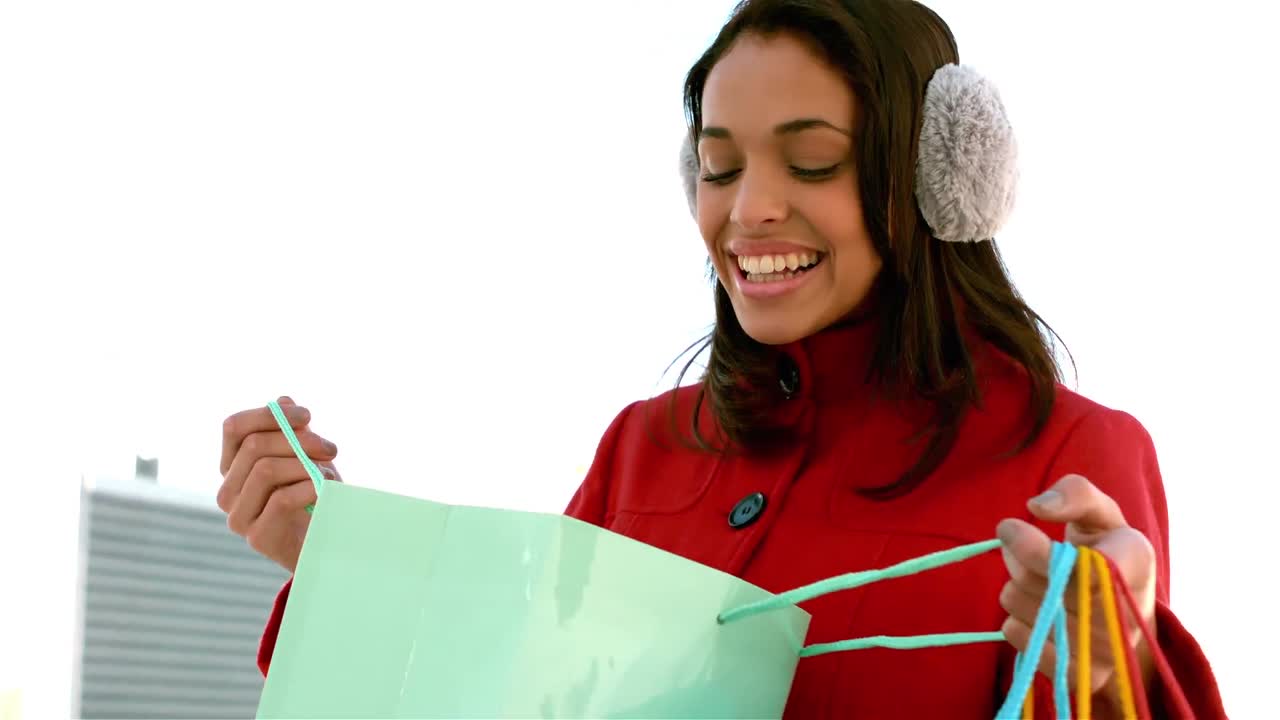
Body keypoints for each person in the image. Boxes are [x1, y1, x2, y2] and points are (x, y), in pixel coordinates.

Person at [217, 1, 1226, 717]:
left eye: (813, 160)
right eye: (718, 164)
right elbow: (508, 695)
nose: (749, 210)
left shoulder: (1068, 456)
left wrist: (1113, 674)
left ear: (938, 175)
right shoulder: (643, 449)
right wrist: (335, 564)